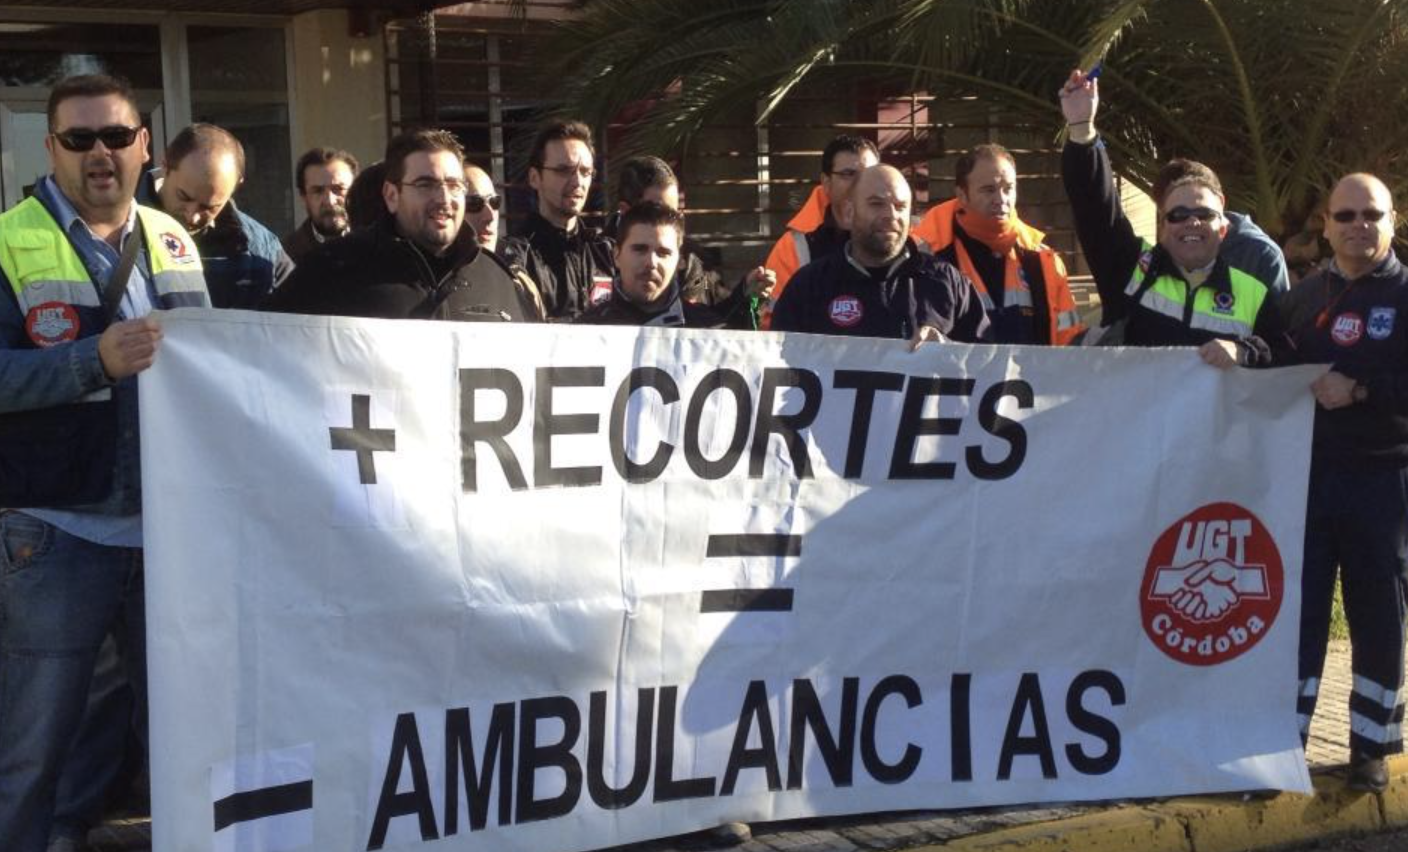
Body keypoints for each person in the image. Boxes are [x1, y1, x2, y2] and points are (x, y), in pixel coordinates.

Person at [0, 73, 209, 852]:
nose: (101, 154)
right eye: (80, 139)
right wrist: (93, 361)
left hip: (170, 534)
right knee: (34, 745)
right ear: (50, 147)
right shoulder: (6, 238)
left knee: (180, 733)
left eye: (117, 137)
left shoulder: (172, 237)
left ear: (144, 146)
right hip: (57, 532)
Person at [1281, 173, 1408, 793]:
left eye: (1372, 214)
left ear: (1393, 220)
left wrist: (1359, 391)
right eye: (1347, 215)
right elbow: (1271, 355)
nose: (1360, 225)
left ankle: (1371, 746)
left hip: (1383, 480)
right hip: (1307, 479)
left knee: (1377, 614)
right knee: (1300, 613)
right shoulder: (1303, 297)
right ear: (1326, 224)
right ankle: (1288, 742)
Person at [1058, 68, 1283, 365]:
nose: (1192, 222)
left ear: (1224, 226)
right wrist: (1081, 129)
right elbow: (1096, 209)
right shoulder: (1133, 270)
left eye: (1204, 213)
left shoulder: (1254, 291)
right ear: (1162, 226)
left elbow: (1286, 357)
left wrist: (1245, 351)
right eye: (1178, 214)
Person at [262, 128, 538, 322]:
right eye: (425, 185)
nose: (443, 199)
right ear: (392, 195)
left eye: (454, 186)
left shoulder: (497, 278)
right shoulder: (330, 270)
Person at [770, 165, 989, 345]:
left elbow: (988, 364)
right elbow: (778, 365)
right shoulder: (810, 286)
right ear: (849, 212)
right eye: (877, 204)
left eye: (900, 206)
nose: (891, 215)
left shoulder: (947, 283)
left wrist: (948, 350)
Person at [911, 143, 1086, 345]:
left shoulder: (1044, 260)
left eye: (1008, 189)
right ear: (961, 195)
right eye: (988, 190)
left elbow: (1069, 343)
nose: (1001, 199)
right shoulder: (923, 254)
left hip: (1032, 376)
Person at [606, 156, 772, 328]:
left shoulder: (693, 259)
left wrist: (743, 296)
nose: (652, 262)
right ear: (617, 255)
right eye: (654, 211)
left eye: (673, 214)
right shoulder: (594, 257)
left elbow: (714, 328)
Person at [141, 123, 292, 309]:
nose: (193, 216)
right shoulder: (118, 231)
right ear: (165, 166)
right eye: (184, 197)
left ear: (236, 186)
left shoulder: (261, 249)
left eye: (209, 207)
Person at [760, 134, 880, 328]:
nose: (860, 183)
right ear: (826, 182)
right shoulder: (795, 246)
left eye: (868, 174)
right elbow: (772, 325)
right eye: (848, 174)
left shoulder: (904, 239)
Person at [500, 120, 614, 320]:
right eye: (564, 170)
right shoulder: (515, 255)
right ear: (535, 178)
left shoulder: (606, 252)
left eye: (585, 172)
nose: (578, 182)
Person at [576, 201, 724, 328]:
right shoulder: (586, 331)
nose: (651, 263)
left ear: (680, 261)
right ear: (616, 255)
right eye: (640, 249)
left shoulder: (709, 331)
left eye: (663, 253)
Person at [1152, 159, 1289, 294]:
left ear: (1220, 202)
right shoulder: (1167, 249)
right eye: (1176, 215)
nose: (1190, 222)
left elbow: (1277, 314)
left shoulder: (1260, 255)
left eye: (1199, 211)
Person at [283, 146, 358, 262]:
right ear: (303, 196)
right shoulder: (286, 257)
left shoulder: (377, 248)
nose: (329, 201)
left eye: (338, 189)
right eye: (317, 191)